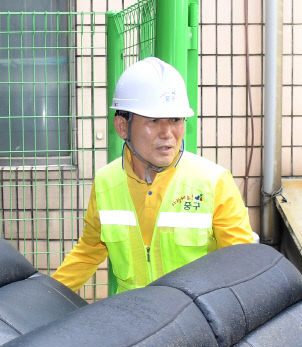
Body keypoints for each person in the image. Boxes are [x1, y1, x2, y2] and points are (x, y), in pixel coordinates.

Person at [52, 57, 254, 295]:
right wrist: (45, 298)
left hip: (195, 320)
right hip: (132, 318)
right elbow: (88, 251)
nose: (167, 133)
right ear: (122, 127)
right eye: (154, 120)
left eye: (176, 120)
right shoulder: (106, 182)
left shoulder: (213, 182)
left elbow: (244, 267)